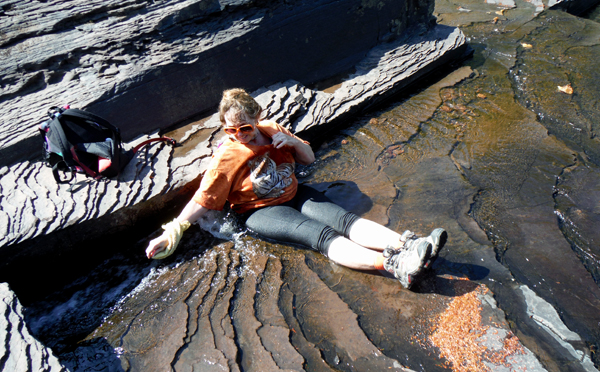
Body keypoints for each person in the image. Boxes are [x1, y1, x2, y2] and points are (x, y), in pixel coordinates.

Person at [146, 88, 447, 289]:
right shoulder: (228, 155)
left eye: (245, 128)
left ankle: (410, 245)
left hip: (293, 192)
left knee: (344, 220)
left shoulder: (274, 130)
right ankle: (395, 265)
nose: (240, 136)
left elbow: (309, 157)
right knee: (319, 234)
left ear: (257, 118)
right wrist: (173, 230)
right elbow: (205, 198)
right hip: (259, 211)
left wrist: (293, 143)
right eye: (231, 130)